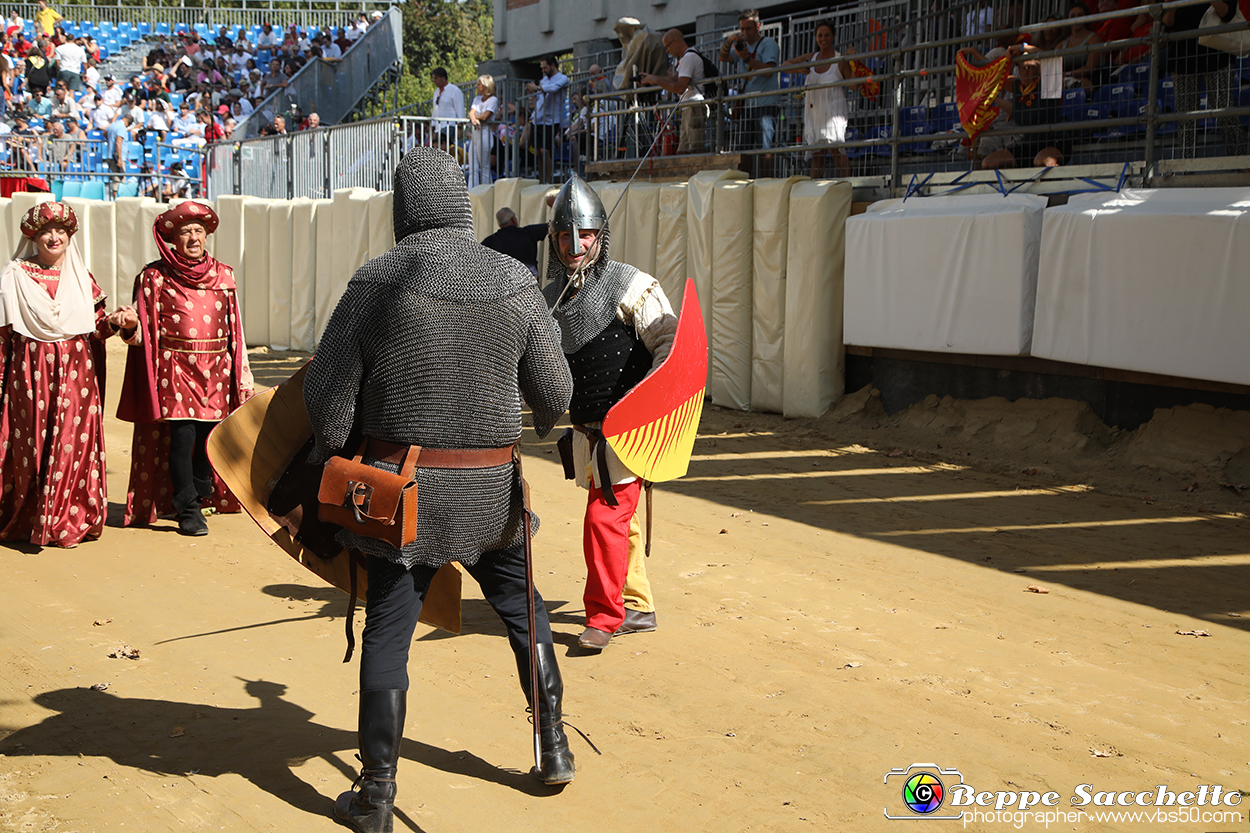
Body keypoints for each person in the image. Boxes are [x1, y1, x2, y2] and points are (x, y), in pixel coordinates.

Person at [305, 147, 575, 833]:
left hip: (403, 495)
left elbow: (330, 413)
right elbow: (556, 394)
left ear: (403, 206)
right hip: (492, 492)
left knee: (388, 632)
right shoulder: (513, 278)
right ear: (462, 201)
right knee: (523, 607)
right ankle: (554, 745)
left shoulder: (377, 281)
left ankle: (376, 797)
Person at [541, 176, 676, 651]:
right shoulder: (551, 299)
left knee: (604, 520)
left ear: (601, 234)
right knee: (622, 520)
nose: (574, 245)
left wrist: (650, 399)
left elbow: (669, 341)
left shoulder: (632, 285)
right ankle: (639, 605)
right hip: (588, 434)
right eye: (564, 235)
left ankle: (604, 615)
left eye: (585, 234)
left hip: (630, 429)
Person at [113, 202, 253, 535]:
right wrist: (130, 325)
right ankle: (187, 506)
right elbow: (141, 331)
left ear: (207, 236)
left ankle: (200, 487)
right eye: (185, 231)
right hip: (175, 368)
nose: (193, 237)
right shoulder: (154, 276)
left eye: (198, 231)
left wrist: (241, 371)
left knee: (209, 438)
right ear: (173, 238)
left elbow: (235, 327)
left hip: (216, 368)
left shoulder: (224, 274)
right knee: (182, 436)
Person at [0, 203, 115, 547]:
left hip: (76, 371)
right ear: (33, 237)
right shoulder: (15, 275)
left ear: (69, 236)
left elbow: (96, 326)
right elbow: (4, 332)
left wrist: (118, 323)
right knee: (31, 443)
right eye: (46, 232)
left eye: (61, 232)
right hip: (30, 371)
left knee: (71, 443)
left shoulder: (81, 277)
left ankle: (66, 518)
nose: (54, 237)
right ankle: (30, 517)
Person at [1165, 0, 1248, 158]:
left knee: (1224, 112)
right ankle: (1185, 166)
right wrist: (1172, 5)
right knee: (1185, 118)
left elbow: (1228, 14)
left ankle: (1241, 162)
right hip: (1183, 59)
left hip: (1216, 57)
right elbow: (1167, 24)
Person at [782, 20, 860, 178]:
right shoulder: (812, 57)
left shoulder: (840, 59)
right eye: (820, 35)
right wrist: (798, 69)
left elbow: (853, 86)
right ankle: (814, 192)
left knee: (836, 151)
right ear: (816, 37)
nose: (823, 38)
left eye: (827, 35)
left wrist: (855, 62)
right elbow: (785, 65)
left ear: (833, 37)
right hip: (814, 113)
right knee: (817, 155)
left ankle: (847, 186)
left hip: (833, 113)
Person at [718, 8, 781, 177]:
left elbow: (769, 70)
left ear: (758, 26)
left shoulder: (768, 44)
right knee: (743, 151)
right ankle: (744, 185)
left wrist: (747, 59)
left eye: (749, 28)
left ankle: (766, 185)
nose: (745, 32)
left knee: (765, 150)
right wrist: (730, 40)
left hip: (766, 104)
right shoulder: (741, 47)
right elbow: (722, 57)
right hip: (747, 106)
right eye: (742, 29)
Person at [639, 29, 708, 155]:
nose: (667, 51)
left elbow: (680, 87)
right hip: (689, 106)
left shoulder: (689, 58)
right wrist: (652, 78)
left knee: (695, 149)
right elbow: (674, 78)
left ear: (676, 41)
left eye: (667, 46)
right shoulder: (685, 59)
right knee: (683, 150)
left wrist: (656, 80)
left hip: (694, 106)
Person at [526, 55, 569, 183]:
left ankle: (548, 181)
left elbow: (554, 89)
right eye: (542, 67)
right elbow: (540, 96)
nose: (543, 70)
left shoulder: (563, 78)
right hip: (538, 119)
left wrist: (537, 88)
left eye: (545, 67)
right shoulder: (544, 80)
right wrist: (532, 93)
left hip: (551, 120)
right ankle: (541, 179)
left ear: (553, 66)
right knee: (538, 151)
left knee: (546, 151)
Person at [482, 206, 548, 278]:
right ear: (513, 219)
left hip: (505, 284)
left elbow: (474, 252)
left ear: (499, 224)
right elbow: (552, 226)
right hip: (529, 282)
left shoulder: (491, 241)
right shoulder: (529, 232)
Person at [467, 74, 497, 187]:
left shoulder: (493, 100)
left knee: (484, 167)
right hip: (476, 134)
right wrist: (473, 118)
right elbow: (471, 112)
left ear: (485, 86)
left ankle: (486, 191)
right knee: (473, 167)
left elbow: (485, 116)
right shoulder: (477, 99)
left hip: (485, 132)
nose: (477, 86)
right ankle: (471, 192)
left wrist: (475, 118)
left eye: (479, 84)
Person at [430, 66, 465, 147]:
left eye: (436, 78)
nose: (434, 81)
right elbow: (435, 109)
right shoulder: (436, 92)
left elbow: (460, 110)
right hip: (438, 127)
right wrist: (432, 128)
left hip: (449, 126)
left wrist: (459, 128)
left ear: (443, 78)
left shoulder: (455, 91)